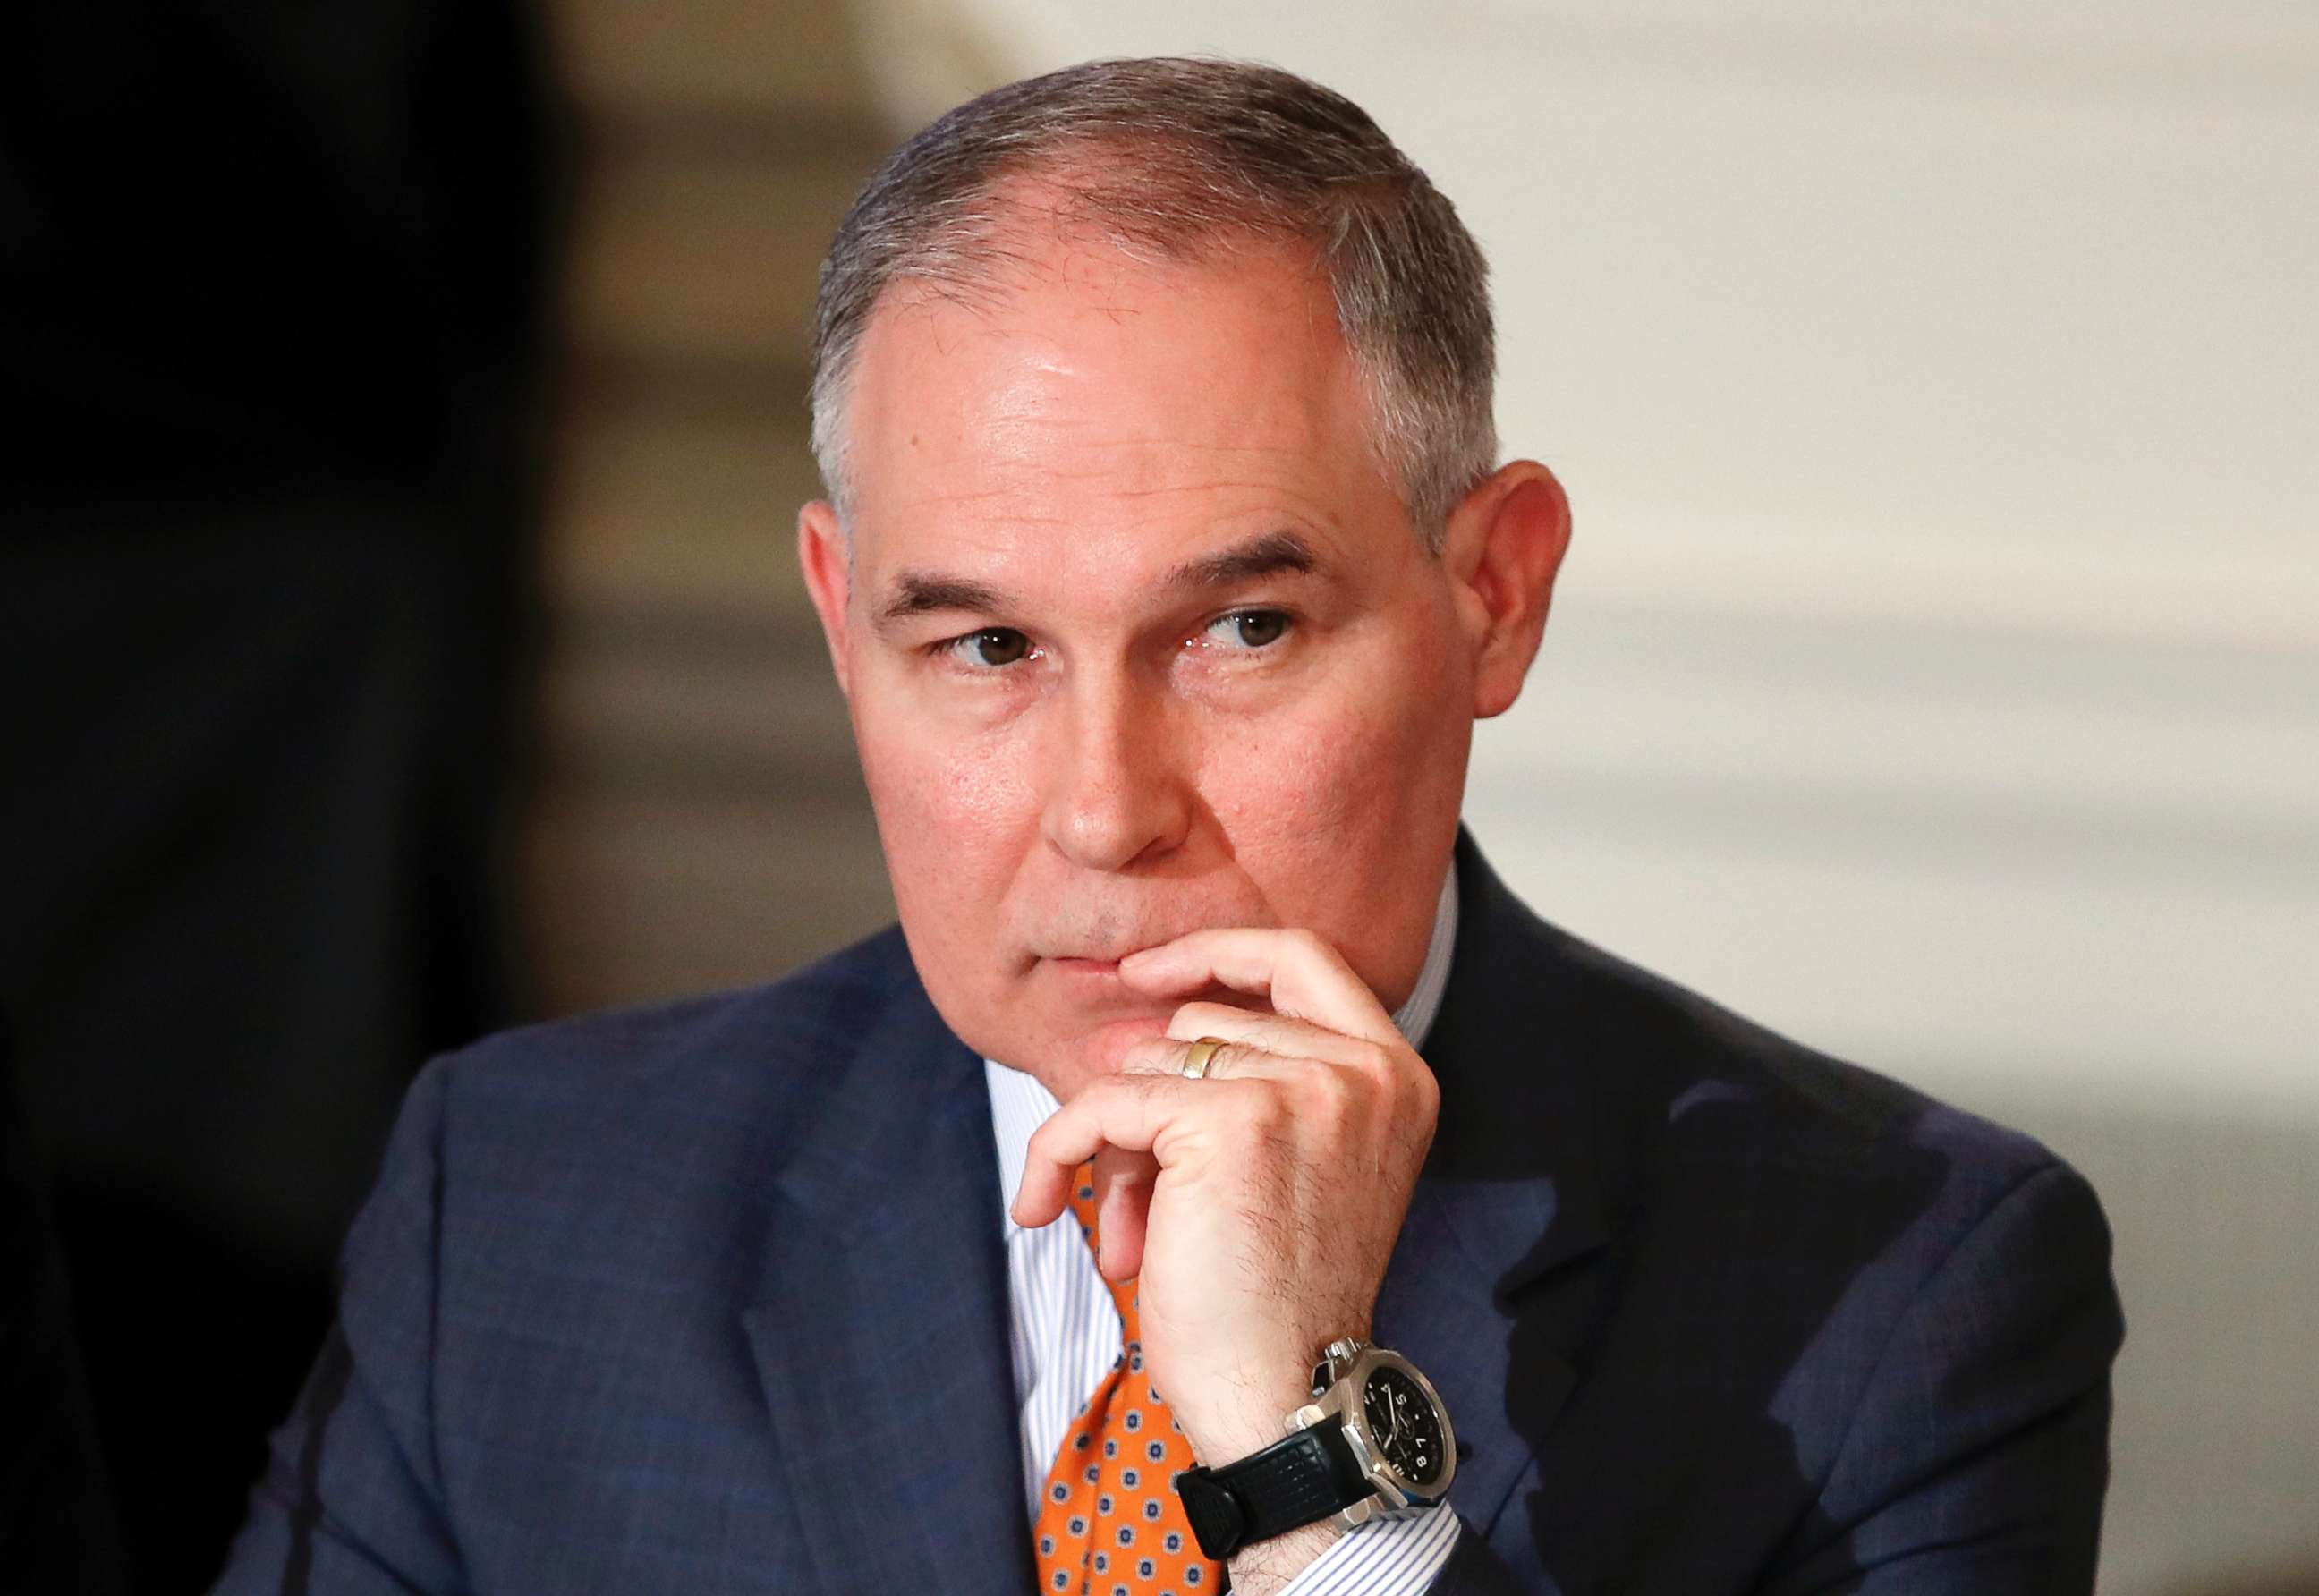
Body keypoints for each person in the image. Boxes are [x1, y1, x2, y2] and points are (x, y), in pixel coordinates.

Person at [214, 58, 2122, 1595]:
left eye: (1242, 630)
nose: (1107, 813)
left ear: (1493, 595)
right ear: (839, 628)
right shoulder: (522, 1206)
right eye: (985, 647)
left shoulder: (1899, 1293)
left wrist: (1309, 1480)